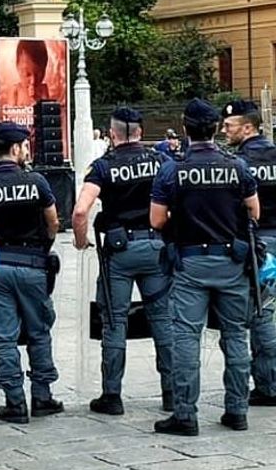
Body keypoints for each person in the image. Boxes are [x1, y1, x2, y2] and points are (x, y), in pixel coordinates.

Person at [152, 98, 259, 436]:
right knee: (236, 335)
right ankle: (237, 410)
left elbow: (156, 220)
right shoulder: (237, 166)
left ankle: (185, 414)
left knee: (186, 337)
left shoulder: (172, 169)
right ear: (215, 129)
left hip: (190, 263)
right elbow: (254, 212)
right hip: (231, 262)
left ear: (185, 128)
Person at [72, 107, 174, 415]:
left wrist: (80, 240)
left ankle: (112, 396)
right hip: (156, 246)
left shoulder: (103, 166)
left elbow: (80, 211)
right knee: (163, 320)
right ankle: (172, 393)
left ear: (112, 134)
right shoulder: (161, 161)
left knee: (115, 321)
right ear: (140, 132)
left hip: (120, 252)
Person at [0, 121, 62, 424]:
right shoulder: (36, 181)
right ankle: (42, 396)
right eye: (24, 146)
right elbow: (53, 221)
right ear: (14, 148)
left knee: (5, 336)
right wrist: (44, 247)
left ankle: (14, 402)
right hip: (33, 264)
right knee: (39, 331)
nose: (27, 151)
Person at [222, 99, 276, 407]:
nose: (224, 131)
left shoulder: (238, 163)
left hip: (258, 245)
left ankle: (269, 385)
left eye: (229, 126)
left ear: (247, 128)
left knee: (261, 311)